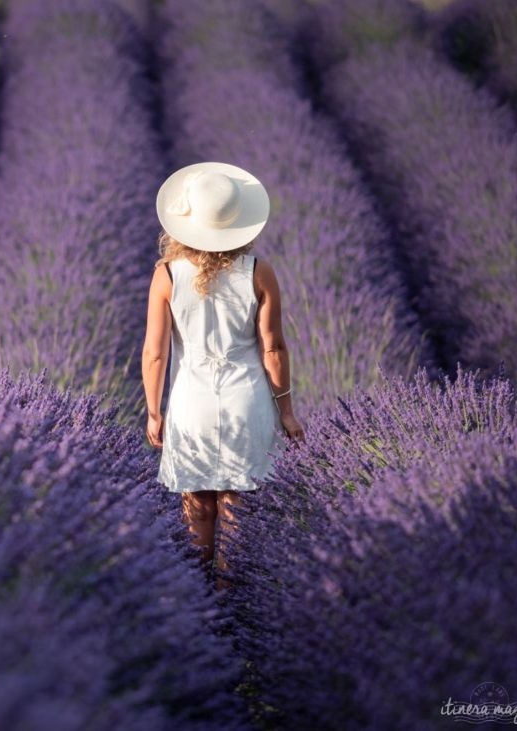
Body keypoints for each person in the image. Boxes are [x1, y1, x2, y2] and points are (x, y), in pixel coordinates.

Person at [141, 161, 305, 591]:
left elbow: (154, 353)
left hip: (191, 403)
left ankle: (201, 614)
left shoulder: (166, 275)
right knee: (236, 514)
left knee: (196, 512)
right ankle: (234, 613)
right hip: (245, 401)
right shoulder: (257, 271)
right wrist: (286, 411)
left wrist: (153, 412)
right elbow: (272, 348)